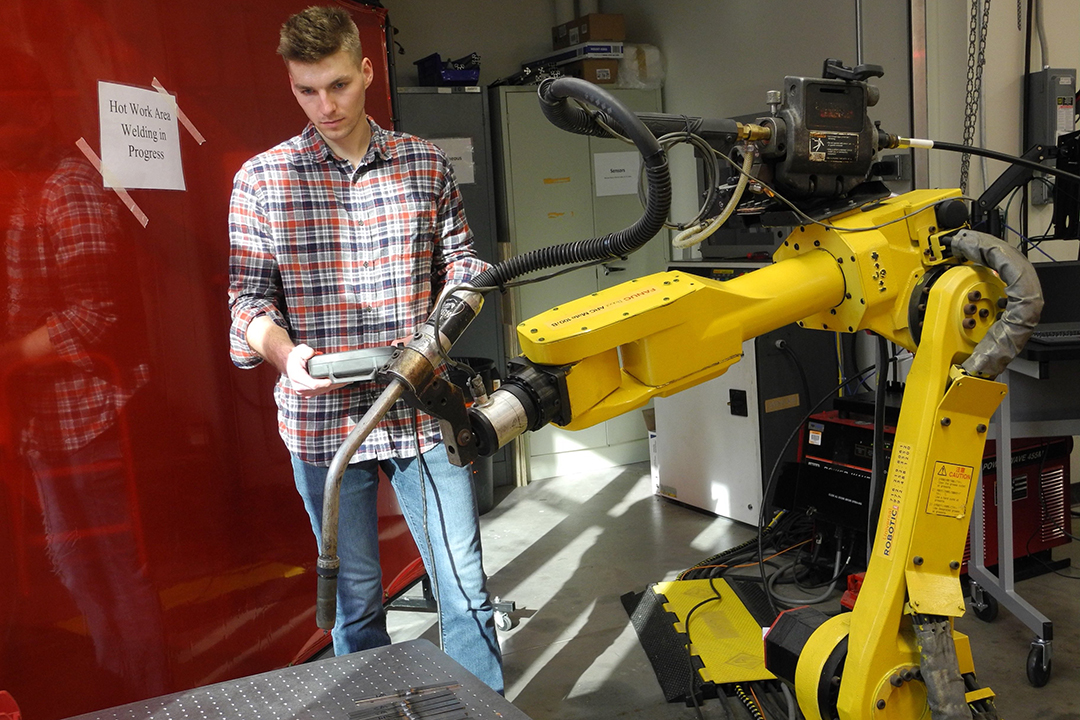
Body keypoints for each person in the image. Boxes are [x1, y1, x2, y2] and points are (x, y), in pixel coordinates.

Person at [227, 6, 503, 692]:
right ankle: (374, 708)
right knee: (354, 604)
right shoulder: (262, 180)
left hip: (421, 412)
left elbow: (467, 267)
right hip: (324, 427)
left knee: (462, 586)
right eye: (306, 90)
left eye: (340, 86)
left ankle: (482, 707)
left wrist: (435, 336)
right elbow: (246, 306)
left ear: (368, 71)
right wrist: (289, 357)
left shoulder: (423, 163)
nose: (326, 105)